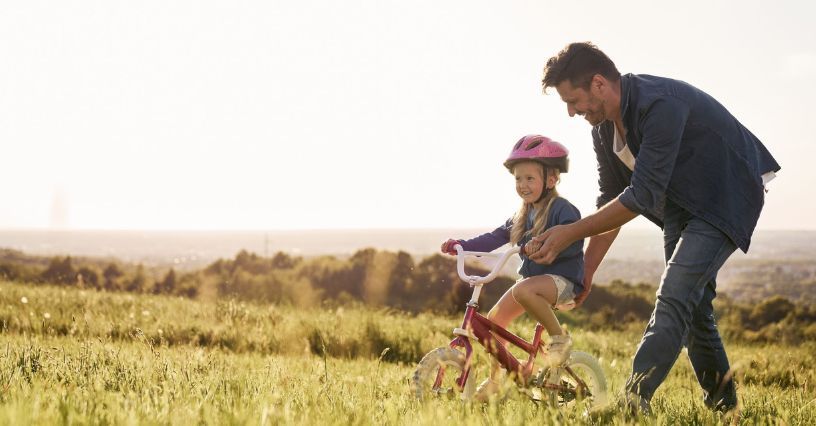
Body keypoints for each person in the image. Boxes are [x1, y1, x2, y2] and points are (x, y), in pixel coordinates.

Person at [527, 42, 780, 414]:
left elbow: (642, 195)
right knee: (693, 309)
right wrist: (587, 271)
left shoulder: (659, 105)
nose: (571, 112)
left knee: (675, 295)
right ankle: (725, 408)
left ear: (598, 84)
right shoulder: (603, 131)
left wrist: (570, 232)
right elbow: (611, 198)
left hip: (725, 193)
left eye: (573, 100)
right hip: (681, 202)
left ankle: (633, 399)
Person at [440, 134, 585, 400]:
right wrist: (462, 245)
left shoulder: (563, 209)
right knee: (494, 321)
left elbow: (573, 239)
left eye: (530, 178)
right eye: (518, 179)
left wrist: (542, 244)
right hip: (530, 285)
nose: (522, 185)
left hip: (562, 281)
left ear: (551, 180)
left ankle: (560, 340)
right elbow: (495, 237)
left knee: (522, 290)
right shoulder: (522, 214)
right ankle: (498, 381)